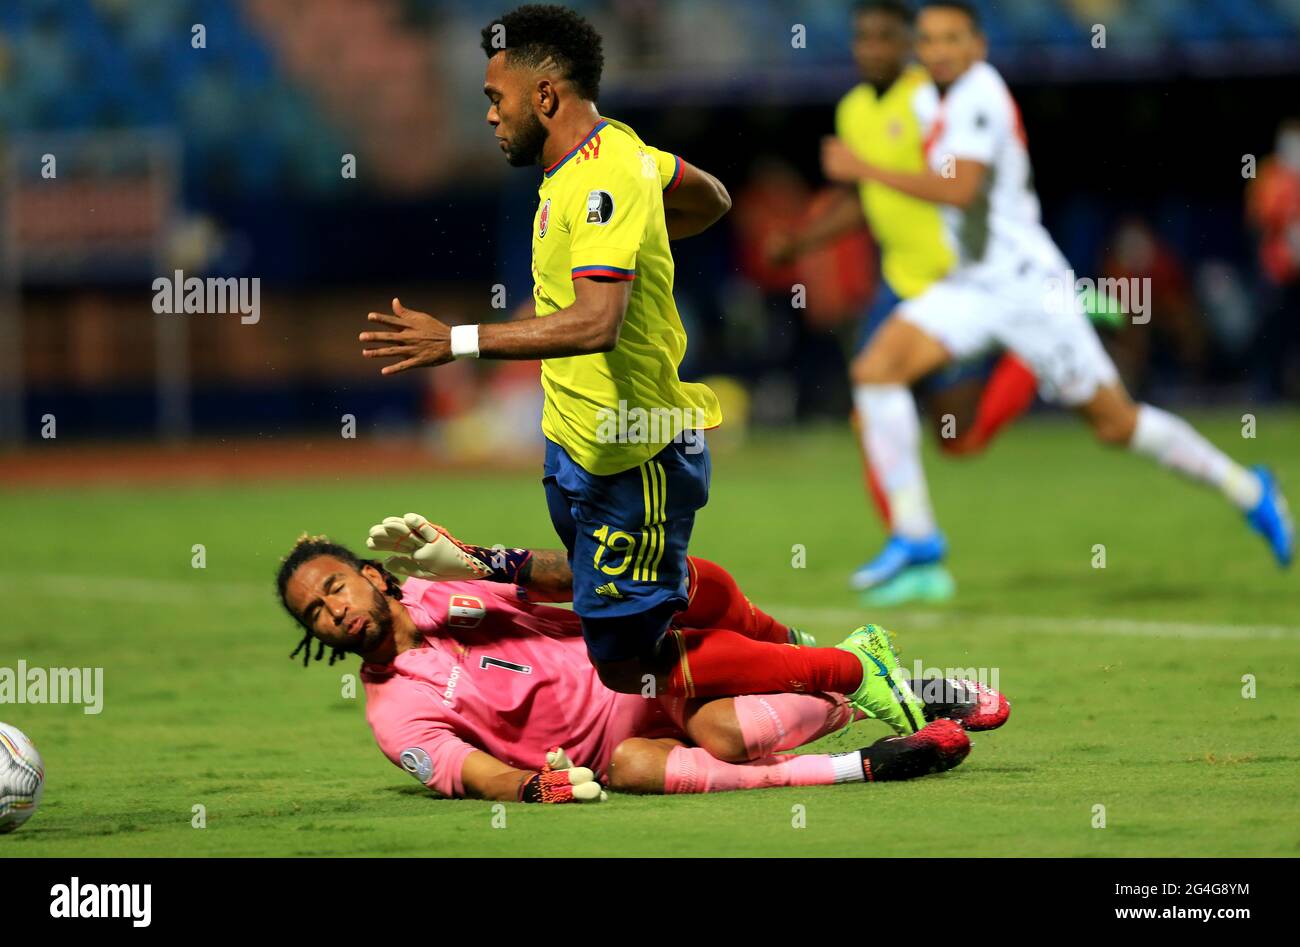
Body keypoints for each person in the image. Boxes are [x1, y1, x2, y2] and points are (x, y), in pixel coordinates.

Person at [357, 4, 940, 735]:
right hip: (576, 444)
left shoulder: (606, 177)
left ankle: (851, 670)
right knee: (614, 583)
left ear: (545, 96)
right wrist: (642, 233)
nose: (488, 115)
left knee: (629, 662)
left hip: (636, 452)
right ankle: (792, 645)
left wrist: (459, 341)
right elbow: (713, 197)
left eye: (493, 98)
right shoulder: (602, 161)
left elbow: (598, 322)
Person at [820, 0, 1293, 583]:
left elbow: (960, 189)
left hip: (1027, 289)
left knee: (1116, 424)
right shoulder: (924, 100)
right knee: (875, 370)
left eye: (952, 39)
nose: (939, 50)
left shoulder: (981, 95)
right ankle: (916, 534)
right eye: (930, 40)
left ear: (978, 47)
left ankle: (1248, 488)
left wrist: (864, 168)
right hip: (970, 286)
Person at [275, 524, 1003, 802]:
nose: (331, 610)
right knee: (693, 748)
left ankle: (855, 674)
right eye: (313, 611)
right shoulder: (391, 712)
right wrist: (533, 787)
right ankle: (870, 743)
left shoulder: (446, 586)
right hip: (618, 746)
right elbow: (467, 773)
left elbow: (578, 577)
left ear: (372, 574)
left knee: (662, 579)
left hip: (645, 657)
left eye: (333, 586)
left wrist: (477, 558)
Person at [767, 0, 1038, 600]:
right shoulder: (855, 108)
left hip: (955, 281)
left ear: (910, 44)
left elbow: (957, 186)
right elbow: (862, 197)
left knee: (958, 440)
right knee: (870, 408)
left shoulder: (933, 103)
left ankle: (1030, 353)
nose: (871, 50)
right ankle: (915, 554)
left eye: (886, 39)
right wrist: (803, 239)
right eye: (863, 39)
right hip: (899, 284)